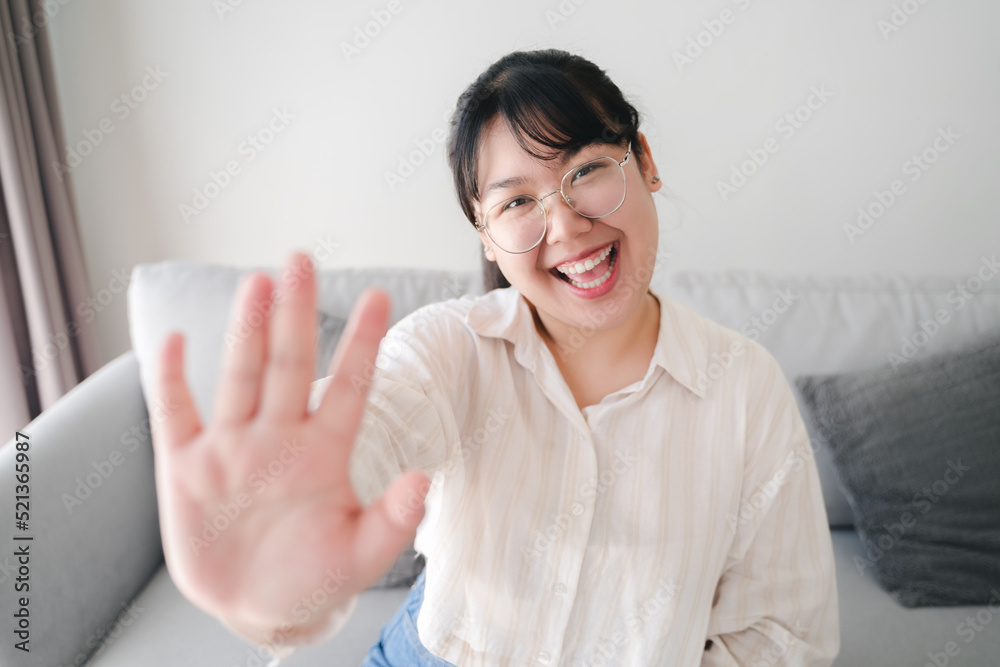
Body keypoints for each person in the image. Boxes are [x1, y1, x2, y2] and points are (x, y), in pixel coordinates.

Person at [151, 49, 840, 666]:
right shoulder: (447, 349)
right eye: (517, 201)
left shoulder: (745, 388)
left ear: (646, 162)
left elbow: (782, 637)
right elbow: (368, 431)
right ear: (486, 235)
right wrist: (267, 587)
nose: (567, 227)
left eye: (588, 170)